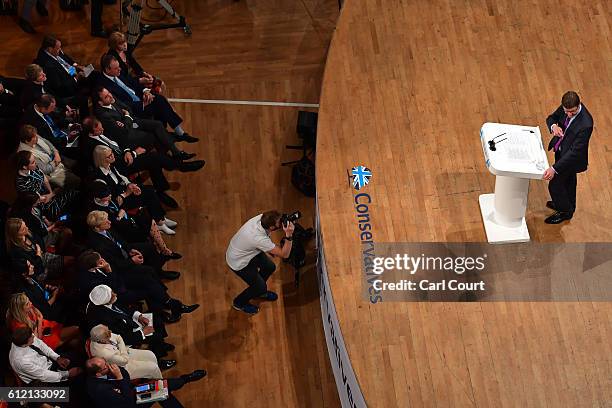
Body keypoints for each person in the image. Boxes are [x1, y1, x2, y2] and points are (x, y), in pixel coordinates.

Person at [98, 55, 199, 142]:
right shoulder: (105, 87)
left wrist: (145, 91)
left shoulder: (117, 74)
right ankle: (178, 133)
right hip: (135, 109)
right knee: (160, 101)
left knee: (159, 101)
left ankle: (170, 134)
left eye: (119, 67)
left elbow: (132, 83)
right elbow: (121, 105)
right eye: (116, 68)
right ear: (107, 70)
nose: (120, 69)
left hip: (141, 98)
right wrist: (142, 104)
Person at [78, 250, 197, 323]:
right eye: (101, 261)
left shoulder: (97, 264)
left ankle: (170, 304)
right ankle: (171, 306)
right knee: (149, 290)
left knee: (147, 278)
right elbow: (113, 290)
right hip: (116, 295)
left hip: (120, 280)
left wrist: (110, 270)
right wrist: (108, 270)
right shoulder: (90, 281)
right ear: (95, 267)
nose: (103, 260)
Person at [90, 147, 177, 233]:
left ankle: (161, 219)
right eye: (109, 156)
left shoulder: (111, 165)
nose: (113, 156)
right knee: (148, 193)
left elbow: (121, 177)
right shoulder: (99, 178)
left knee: (149, 189)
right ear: (101, 159)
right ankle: (160, 222)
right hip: (121, 203)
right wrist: (127, 193)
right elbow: (112, 200)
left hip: (126, 192)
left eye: (112, 153)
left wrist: (130, 184)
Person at [226, 211, 295, 314]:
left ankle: (259, 293)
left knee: (269, 267)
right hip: (239, 262)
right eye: (279, 223)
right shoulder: (258, 238)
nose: (282, 223)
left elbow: (265, 238)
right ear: (271, 227)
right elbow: (285, 254)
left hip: (249, 251)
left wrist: (269, 248)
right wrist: (289, 235)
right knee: (259, 286)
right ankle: (239, 303)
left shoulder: (262, 218)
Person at [89, 181, 181, 258]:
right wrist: (122, 216)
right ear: (98, 198)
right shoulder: (98, 212)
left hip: (128, 220)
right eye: (106, 196)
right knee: (147, 221)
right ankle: (163, 249)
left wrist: (122, 209)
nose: (109, 196)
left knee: (147, 213)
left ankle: (162, 246)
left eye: (109, 194)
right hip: (125, 231)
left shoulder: (109, 199)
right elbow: (116, 225)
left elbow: (122, 204)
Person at [543, 91, 594, 224]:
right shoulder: (566, 107)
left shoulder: (586, 123)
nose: (569, 114)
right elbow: (551, 118)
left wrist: (554, 168)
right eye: (567, 111)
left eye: (572, 111)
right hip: (561, 151)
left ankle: (565, 211)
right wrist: (554, 126)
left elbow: (575, 152)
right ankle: (568, 205)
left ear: (579, 104)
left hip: (571, 159)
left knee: (554, 185)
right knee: (569, 182)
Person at [85, 285, 173, 359]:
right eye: (112, 295)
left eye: (112, 292)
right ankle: (159, 356)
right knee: (155, 336)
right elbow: (119, 338)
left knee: (157, 319)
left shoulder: (106, 300)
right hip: (127, 335)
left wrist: (138, 316)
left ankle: (161, 344)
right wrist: (142, 333)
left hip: (128, 323)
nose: (115, 294)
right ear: (105, 301)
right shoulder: (102, 320)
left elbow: (122, 308)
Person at [85, 356, 206, 408]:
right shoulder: (100, 389)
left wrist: (121, 377)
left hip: (132, 392)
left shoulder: (106, 370)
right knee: (161, 391)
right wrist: (120, 378)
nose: (109, 365)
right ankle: (185, 379)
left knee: (161, 390)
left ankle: (184, 379)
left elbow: (125, 374)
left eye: (105, 361)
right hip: (129, 404)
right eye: (105, 366)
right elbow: (126, 402)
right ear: (98, 374)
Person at [6, 292, 82, 351]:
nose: (31, 303)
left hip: (47, 327)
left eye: (29, 301)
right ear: (20, 309)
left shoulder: (27, 308)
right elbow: (36, 341)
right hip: (44, 339)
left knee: (75, 340)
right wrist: (39, 321)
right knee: (76, 329)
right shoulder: (19, 327)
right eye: (27, 304)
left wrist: (39, 319)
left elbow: (36, 311)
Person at [15, 150, 79, 220]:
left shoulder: (33, 168)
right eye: (33, 162)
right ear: (24, 167)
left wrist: (50, 192)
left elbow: (44, 178)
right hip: (40, 203)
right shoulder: (21, 184)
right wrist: (52, 194)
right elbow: (35, 200)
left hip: (47, 193)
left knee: (73, 193)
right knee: (62, 206)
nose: (35, 163)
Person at [9, 327, 83, 385]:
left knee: (78, 357)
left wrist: (57, 358)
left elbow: (41, 345)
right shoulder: (21, 361)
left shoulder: (26, 338)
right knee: (79, 380)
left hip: (48, 361)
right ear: (24, 345)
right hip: (42, 379)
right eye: (32, 338)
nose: (34, 337)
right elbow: (43, 375)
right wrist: (67, 374)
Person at [89, 324, 170, 377]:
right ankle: (160, 383)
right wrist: (121, 347)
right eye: (108, 335)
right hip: (123, 367)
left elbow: (118, 337)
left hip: (123, 353)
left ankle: (151, 375)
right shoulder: (104, 352)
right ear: (102, 341)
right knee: (153, 367)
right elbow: (125, 361)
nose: (111, 333)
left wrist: (121, 348)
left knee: (150, 354)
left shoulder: (101, 333)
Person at [18, 125, 81, 189]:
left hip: (56, 158)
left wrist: (56, 153)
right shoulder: (26, 154)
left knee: (77, 164)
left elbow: (48, 142)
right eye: (34, 137)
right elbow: (45, 170)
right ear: (26, 141)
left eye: (36, 135)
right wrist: (56, 161)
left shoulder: (33, 136)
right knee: (77, 181)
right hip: (52, 172)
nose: (37, 137)